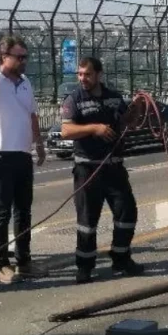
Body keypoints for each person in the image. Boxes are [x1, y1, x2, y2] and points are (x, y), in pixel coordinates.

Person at [60, 56, 144, 284]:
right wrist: (94, 128)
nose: (83, 78)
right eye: (80, 74)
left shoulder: (114, 98)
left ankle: (121, 257)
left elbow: (129, 123)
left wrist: (136, 108)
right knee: (87, 221)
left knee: (127, 212)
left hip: (114, 167)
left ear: (99, 74)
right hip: (88, 169)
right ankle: (85, 266)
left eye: (87, 74)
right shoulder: (74, 99)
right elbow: (66, 131)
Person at [0, 36, 48, 284]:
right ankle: (1, 263)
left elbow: (32, 115)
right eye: (19, 57)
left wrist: (38, 144)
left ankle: (24, 260)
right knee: (1, 212)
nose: (23, 61)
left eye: (25, 57)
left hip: (21, 154)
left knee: (24, 211)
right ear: (4, 57)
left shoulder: (25, 81)